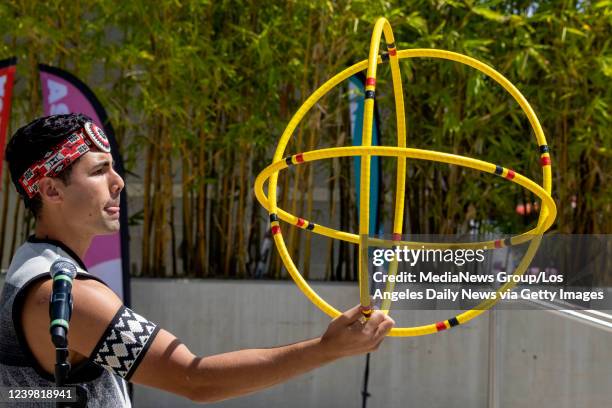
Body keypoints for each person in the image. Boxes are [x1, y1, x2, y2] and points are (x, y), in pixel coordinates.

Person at [0, 114, 395, 407]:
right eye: (100, 171)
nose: (118, 182)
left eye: (114, 168)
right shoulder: (67, 294)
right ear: (51, 190)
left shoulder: (29, 265)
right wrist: (326, 349)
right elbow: (196, 378)